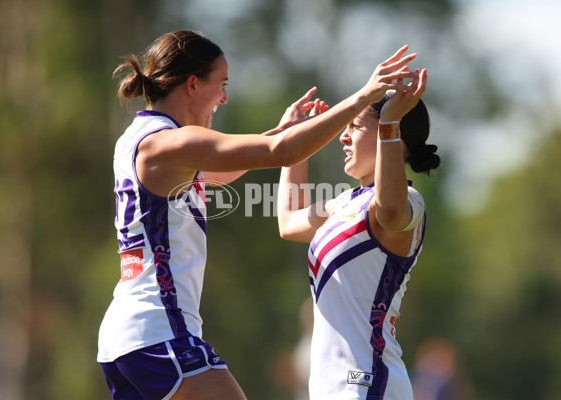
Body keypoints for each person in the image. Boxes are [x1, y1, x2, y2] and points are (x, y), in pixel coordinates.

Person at [97, 29, 420, 400]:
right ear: (192, 85)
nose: (224, 97)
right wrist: (363, 97)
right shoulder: (171, 143)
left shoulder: (140, 139)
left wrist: (284, 130)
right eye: (221, 84)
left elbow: (232, 164)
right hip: (159, 330)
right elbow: (279, 152)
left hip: (126, 337)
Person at [277, 64, 440, 399]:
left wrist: (390, 122)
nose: (343, 135)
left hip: (367, 385)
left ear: (388, 130)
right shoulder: (344, 203)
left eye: (354, 126)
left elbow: (391, 212)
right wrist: (296, 137)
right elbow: (289, 221)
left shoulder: (409, 200)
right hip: (335, 388)